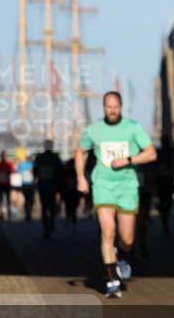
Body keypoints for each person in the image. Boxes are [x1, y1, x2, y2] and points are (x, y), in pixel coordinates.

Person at [75, 91, 157, 299]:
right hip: (103, 185)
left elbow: (151, 153)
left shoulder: (132, 127)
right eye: (108, 107)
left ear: (121, 107)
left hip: (127, 187)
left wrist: (128, 160)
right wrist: (81, 178)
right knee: (108, 232)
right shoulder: (94, 129)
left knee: (127, 239)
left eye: (115, 107)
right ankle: (112, 281)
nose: (112, 111)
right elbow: (80, 151)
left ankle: (123, 257)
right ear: (103, 107)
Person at [33, 139, 65, 238]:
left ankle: (46, 227)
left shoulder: (40, 158)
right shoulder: (55, 158)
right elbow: (61, 171)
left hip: (43, 185)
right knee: (51, 206)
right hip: (52, 185)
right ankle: (51, 224)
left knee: (44, 207)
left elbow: (34, 171)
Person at [136, 154, 158, 259]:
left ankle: (141, 244)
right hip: (127, 193)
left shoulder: (146, 155)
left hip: (143, 193)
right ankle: (128, 247)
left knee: (141, 221)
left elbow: (152, 175)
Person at [155, 134, 174, 234]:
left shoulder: (172, 151)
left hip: (169, 179)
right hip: (160, 180)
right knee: (163, 201)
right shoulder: (158, 152)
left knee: (168, 201)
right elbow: (154, 166)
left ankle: (165, 219)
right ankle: (164, 219)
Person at [0, 151, 14, 221]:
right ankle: (1, 214)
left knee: (8, 199)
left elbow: (12, 171)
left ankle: (9, 213)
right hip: (1, 184)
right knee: (1, 200)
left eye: (4, 156)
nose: (3, 157)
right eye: (2, 156)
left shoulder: (9, 164)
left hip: (7, 184)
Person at [62, 158, 80, 226]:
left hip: (70, 191)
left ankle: (69, 219)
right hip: (72, 191)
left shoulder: (66, 172)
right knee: (72, 206)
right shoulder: (75, 172)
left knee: (69, 206)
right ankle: (72, 219)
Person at [17, 155, 36, 221]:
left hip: (27, 184)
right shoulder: (32, 164)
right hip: (29, 184)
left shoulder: (22, 164)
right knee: (29, 199)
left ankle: (28, 213)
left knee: (28, 199)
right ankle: (28, 213)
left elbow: (18, 172)